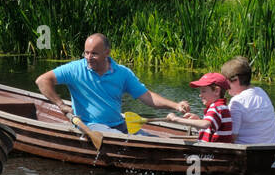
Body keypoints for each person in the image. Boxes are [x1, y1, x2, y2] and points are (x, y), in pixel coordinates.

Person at [35, 33, 189, 133]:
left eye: (94, 53)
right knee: (122, 139)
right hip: (90, 126)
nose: (88, 58)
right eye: (86, 52)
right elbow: (42, 80)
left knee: (150, 139)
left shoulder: (123, 73)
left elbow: (148, 97)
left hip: (119, 123)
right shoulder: (74, 69)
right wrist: (60, 104)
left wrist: (175, 106)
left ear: (107, 53)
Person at [221, 56, 275, 143]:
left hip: (247, 150)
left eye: (225, 82)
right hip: (271, 147)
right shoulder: (261, 92)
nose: (224, 87)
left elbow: (231, 137)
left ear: (236, 80)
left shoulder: (237, 101)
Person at [167, 72, 234, 142]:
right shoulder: (222, 107)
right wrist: (197, 120)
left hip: (211, 151)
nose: (200, 95)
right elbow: (208, 129)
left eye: (203, 91)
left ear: (216, 91)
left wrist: (176, 119)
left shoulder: (216, 108)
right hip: (216, 150)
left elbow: (205, 124)